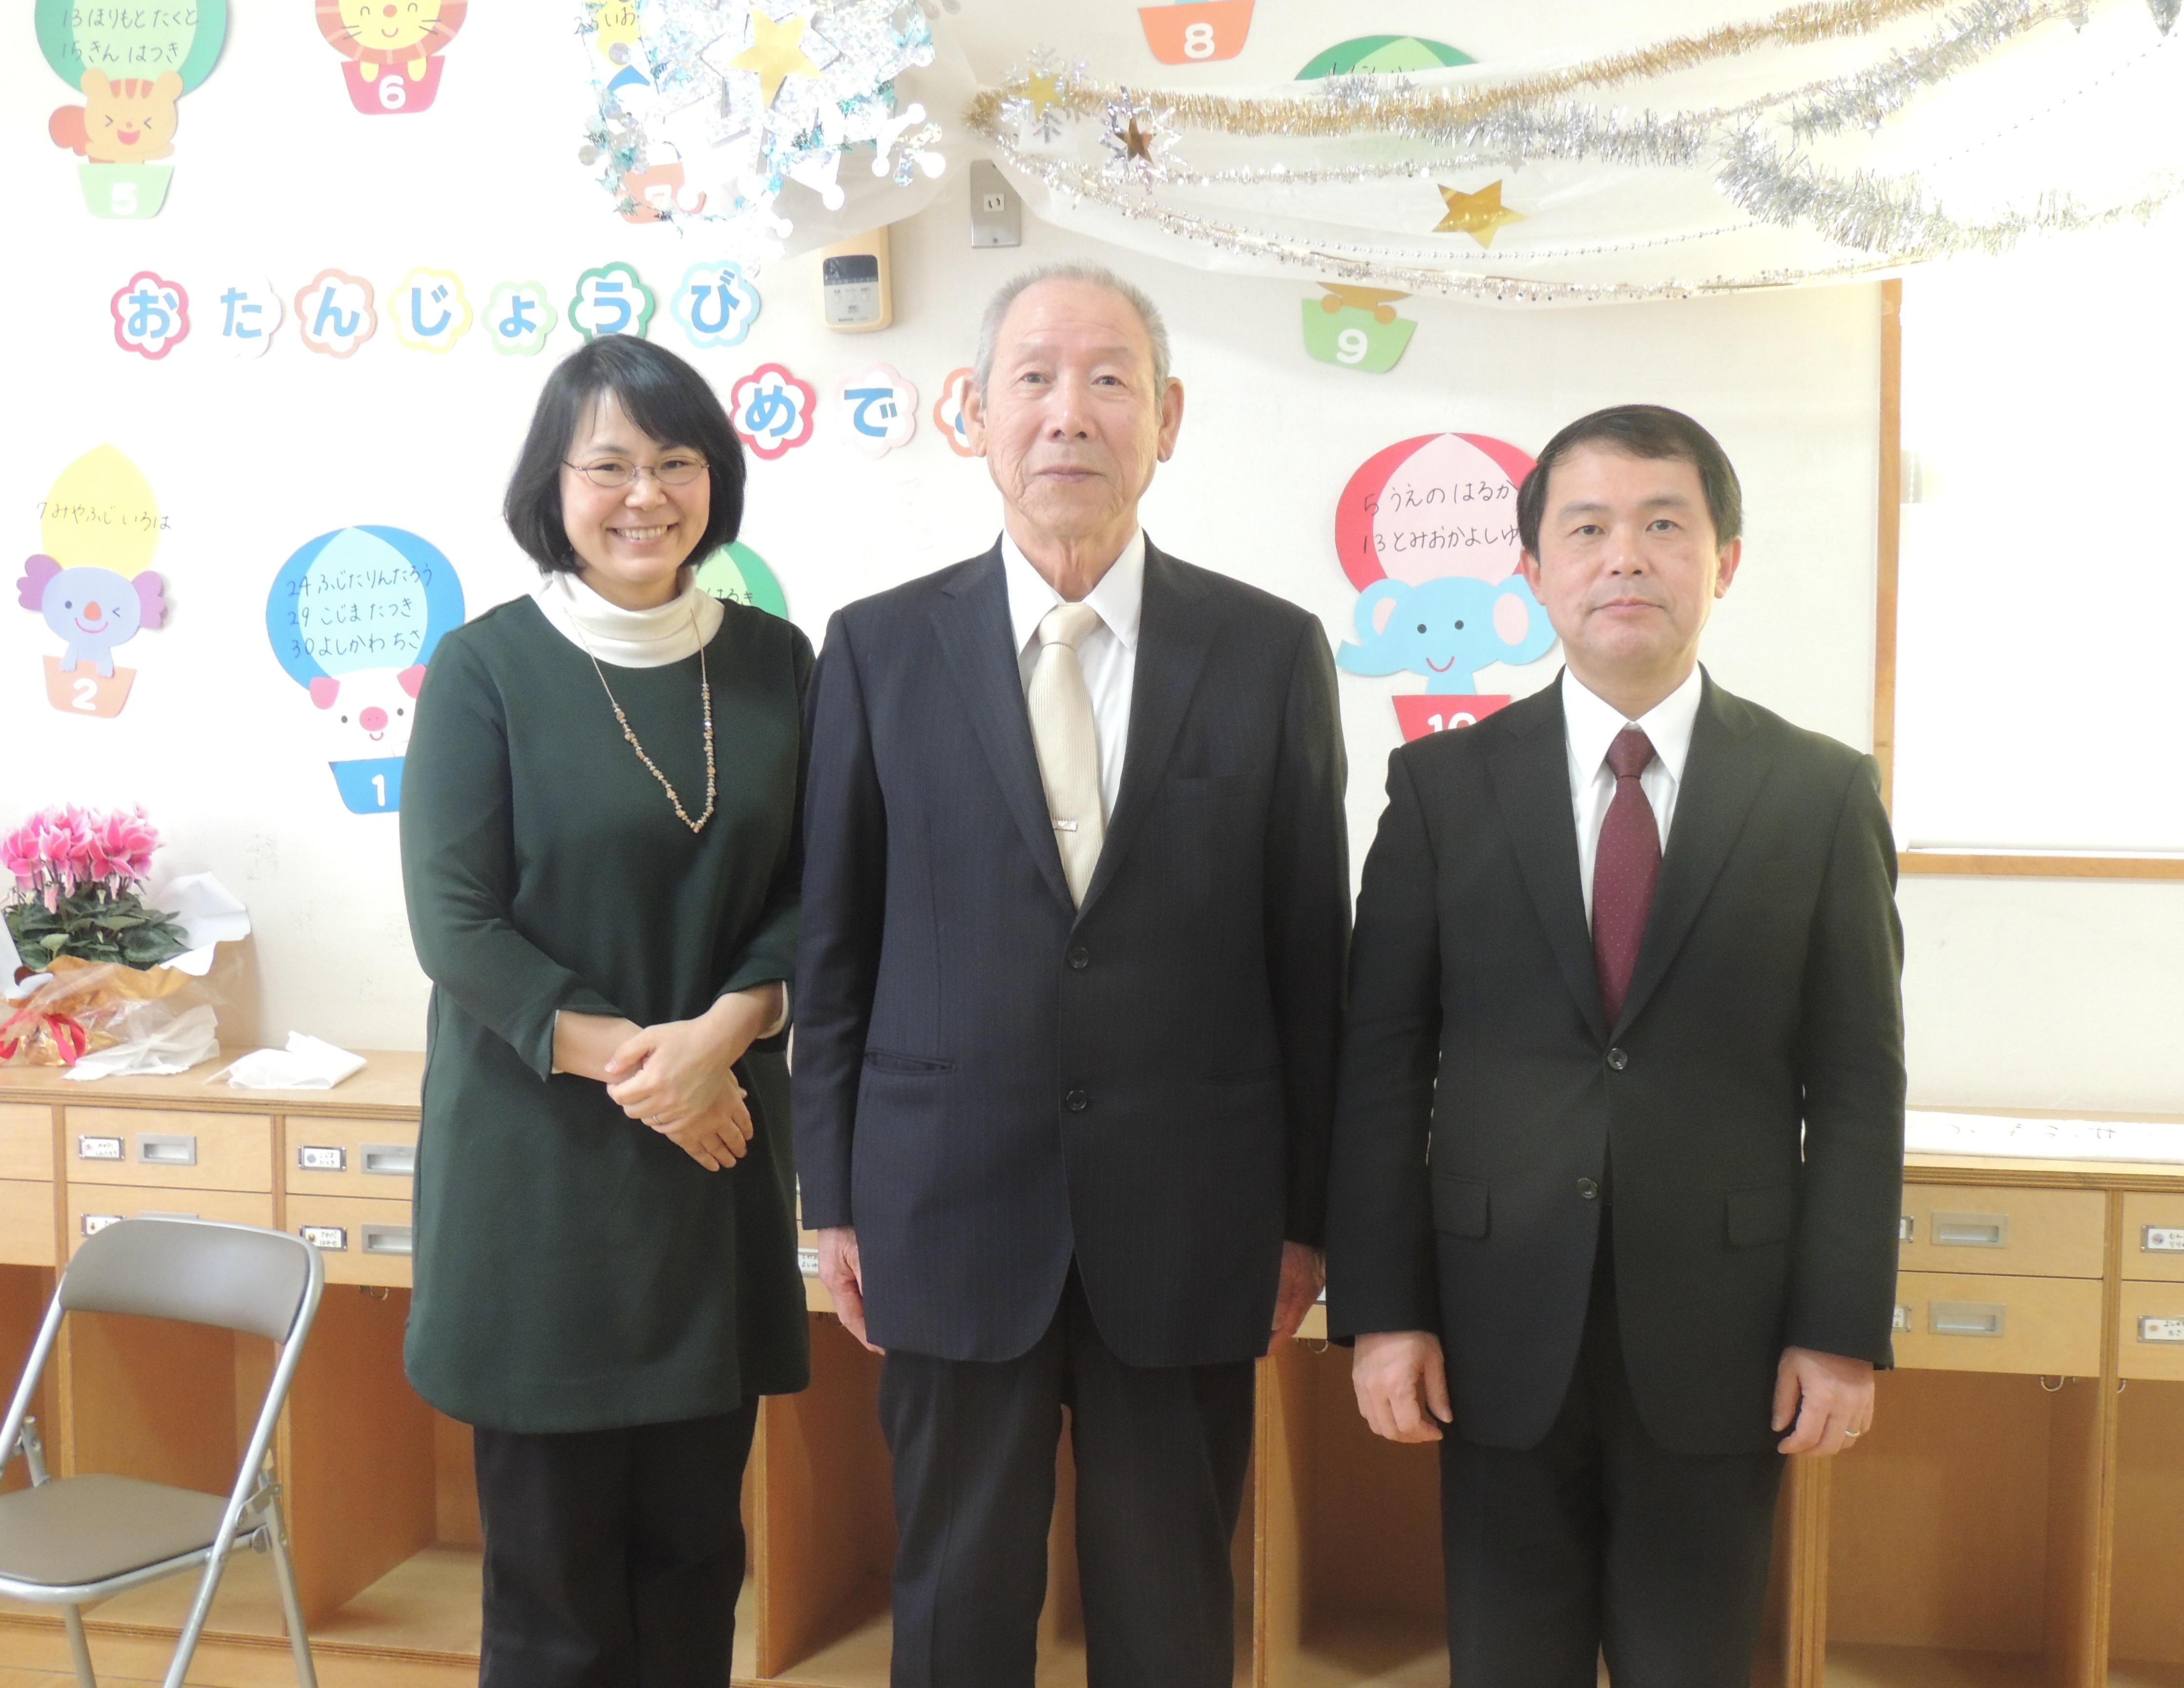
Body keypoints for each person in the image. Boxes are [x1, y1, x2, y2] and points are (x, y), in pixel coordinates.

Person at [793, 263, 1350, 1688]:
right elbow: (836, 946)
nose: (1069, 412)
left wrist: (1305, 1219)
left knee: (1171, 1612)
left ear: (1169, 417)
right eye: (1033, 378)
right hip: (942, 1207)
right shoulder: (875, 648)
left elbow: (1310, 959)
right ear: (974, 413)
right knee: (954, 1603)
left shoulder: (1269, 651)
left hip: (1193, 1220)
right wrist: (834, 1201)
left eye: (1109, 379)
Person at [1325, 404, 1905, 1688]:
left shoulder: (1818, 795)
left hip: (1726, 1334)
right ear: (1534, 570)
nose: (1625, 557)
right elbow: (1382, 1070)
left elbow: (1861, 1085)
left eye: (1664, 525)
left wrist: (1839, 1328)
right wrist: (1384, 1313)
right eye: (1586, 529)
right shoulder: (1442, 790)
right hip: (1490, 1328)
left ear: (1725, 561)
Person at [399, 335, 812, 1688]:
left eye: (677, 462)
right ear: (555, 486)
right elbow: (458, 928)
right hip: (543, 1180)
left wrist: (720, 1041)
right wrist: (658, 1073)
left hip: (715, 1163)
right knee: (555, 1594)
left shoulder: (778, 663)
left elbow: (817, 893)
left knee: (695, 1563)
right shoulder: (484, 668)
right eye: (609, 465)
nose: (646, 495)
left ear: (716, 481)